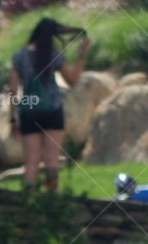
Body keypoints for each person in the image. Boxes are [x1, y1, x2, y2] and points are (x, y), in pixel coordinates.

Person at [8, 17, 91, 192]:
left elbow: (13, 91)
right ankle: (52, 199)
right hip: (53, 109)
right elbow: (72, 81)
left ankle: (29, 199)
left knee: (31, 161)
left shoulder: (19, 56)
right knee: (52, 160)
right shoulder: (54, 55)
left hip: (29, 111)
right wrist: (82, 56)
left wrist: (12, 119)